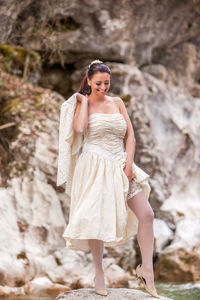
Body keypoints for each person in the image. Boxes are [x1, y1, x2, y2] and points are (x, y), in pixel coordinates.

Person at [56, 60, 159, 298]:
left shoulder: (118, 102)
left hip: (120, 163)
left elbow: (130, 135)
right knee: (95, 220)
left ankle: (146, 271)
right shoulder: (83, 103)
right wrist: (82, 101)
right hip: (94, 165)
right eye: (99, 83)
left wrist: (129, 164)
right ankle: (99, 273)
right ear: (89, 81)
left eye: (107, 83)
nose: (103, 87)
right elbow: (80, 129)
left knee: (147, 214)